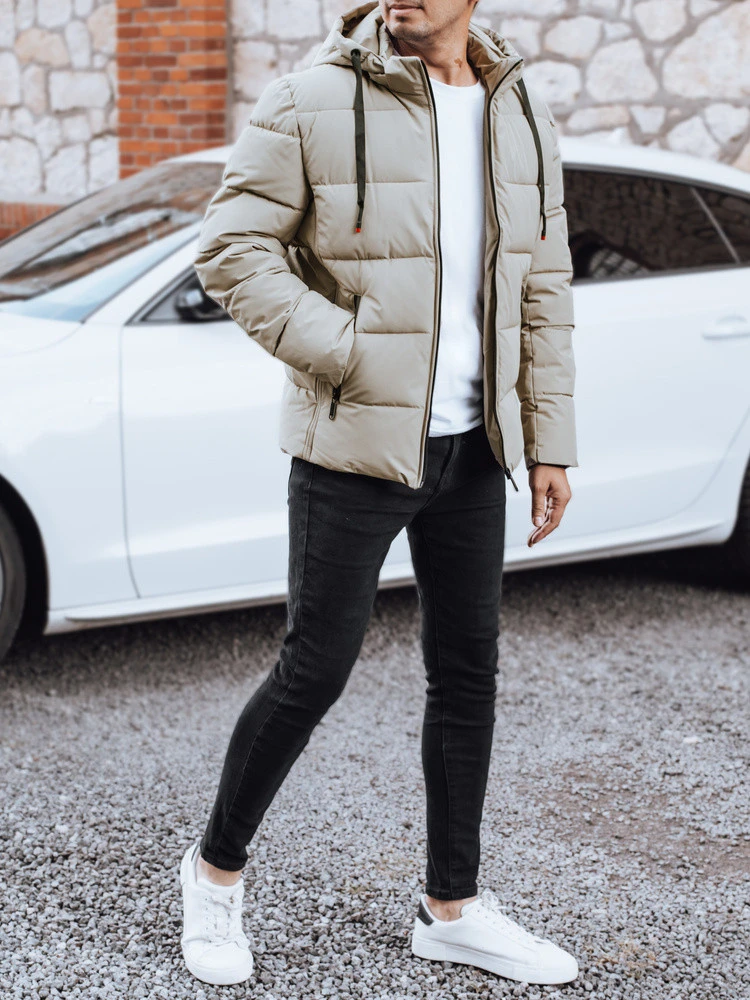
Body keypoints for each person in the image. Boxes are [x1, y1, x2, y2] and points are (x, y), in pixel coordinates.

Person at [179, 0, 578, 987]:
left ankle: (452, 908)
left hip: (475, 449)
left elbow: (542, 282)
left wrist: (550, 440)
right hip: (353, 445)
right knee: (313, 670)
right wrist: (350, 352)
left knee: (468, 673)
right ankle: (214, 873)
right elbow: (230, 248)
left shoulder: (518, 107)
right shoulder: (310, 96)